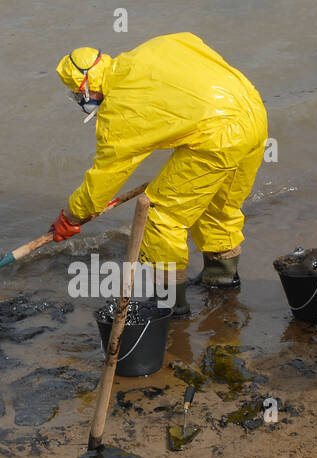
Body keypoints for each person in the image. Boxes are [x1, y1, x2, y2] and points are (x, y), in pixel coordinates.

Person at [51, 32, 268, 317]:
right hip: (252, 111)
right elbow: (195, 48)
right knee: (219, 204)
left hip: (217, 136)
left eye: (78, 95)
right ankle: (222, 278)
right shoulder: (159, 45)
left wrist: (73, 215)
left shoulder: (118, 111)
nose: (81, 100)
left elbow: (106, 177)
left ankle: (170, 304)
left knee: (160, 216)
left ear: (87, 88)